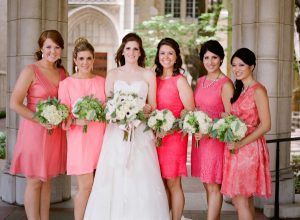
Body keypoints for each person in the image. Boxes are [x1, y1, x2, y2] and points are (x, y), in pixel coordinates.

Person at [84, 33, 170, 220]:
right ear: (122, 51)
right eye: (128, 48)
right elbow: (107, 105)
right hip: (116, 133)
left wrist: (145, 109)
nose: (131, 52)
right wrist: (118, 113)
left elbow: (153, 105)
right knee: (115, 174)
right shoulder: (113, 74)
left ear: (140, 52)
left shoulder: (148, 74)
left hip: (140, 133)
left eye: (135, 48)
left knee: (140, 175)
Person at [10, 30, 67, 220]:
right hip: (34, 131)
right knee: (34, 181)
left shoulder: (62, 73)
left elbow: (67, 101)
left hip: (54, 133)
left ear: (61, 50)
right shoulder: (30, 71)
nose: (53, 51)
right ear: (41, 48)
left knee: (47, 181)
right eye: (49, 46)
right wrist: (40, 119)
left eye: (57, 47)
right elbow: (14, 103)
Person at [221, 48, 272, 220]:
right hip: (235, 148)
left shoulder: (258, 90)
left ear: (252, 66)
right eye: (234, 65)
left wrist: (240, 144)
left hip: (248, 150)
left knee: (240, 200)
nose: (237, 69)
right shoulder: (240, 89)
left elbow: (266, 125)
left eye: (241, 65)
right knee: (244, 199)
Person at [58, 38, 106, 220]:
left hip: (102, 138)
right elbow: (64, 119)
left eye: (89, 58)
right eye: (81, 58)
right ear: (75, 60)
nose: (85, 62)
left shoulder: (102, 82)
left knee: (100, 185)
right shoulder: (66, 84)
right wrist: (79, 121)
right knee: (85, 186)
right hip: (80, 142)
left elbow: (108, 109)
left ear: (93, 60)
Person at [191, 40, 234, 220]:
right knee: (206, 184)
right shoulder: (200, 81)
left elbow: (230, 119)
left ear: (221, 59)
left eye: (214, 57)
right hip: (200, 140)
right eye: (206, 57)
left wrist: (209, 132)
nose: (210, 61)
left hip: (215, 141)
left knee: (214, 186)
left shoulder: (226, 84)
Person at [154, 38, 195, 220]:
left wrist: (170, 130)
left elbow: (189, 111)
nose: (166, 57)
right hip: (155, 138)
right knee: (160, 183)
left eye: (170, 53)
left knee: (173, 183)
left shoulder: (180, 81)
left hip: (173, 139)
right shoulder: (153, 79)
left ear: (176, 56)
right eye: (162, 53)